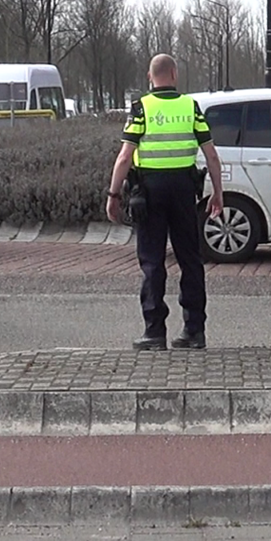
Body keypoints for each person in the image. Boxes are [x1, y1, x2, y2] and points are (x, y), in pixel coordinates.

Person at [105, 54, 224, 351]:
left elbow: (124, 156)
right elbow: (211, 155)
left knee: (152, 262)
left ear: (150, 76)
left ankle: (154, 332)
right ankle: (194, 331)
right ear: (174, 74)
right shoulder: (190, 107)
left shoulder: (141, 109)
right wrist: (218, 193)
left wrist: (113, 195)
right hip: (184, 190)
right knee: (190, 260)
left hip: (150, 192)